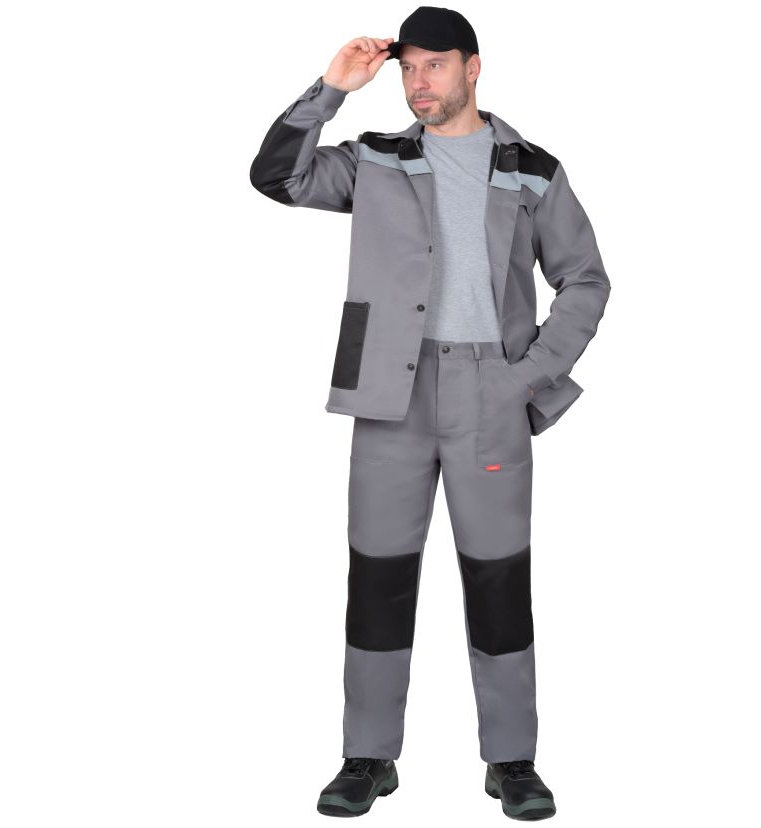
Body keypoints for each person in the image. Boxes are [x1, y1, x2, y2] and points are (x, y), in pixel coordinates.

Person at [249, 6, 611, 820]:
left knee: (498, 578)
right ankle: (368, 756)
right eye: (408, 67)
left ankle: (512, 761)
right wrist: (332, 87)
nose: (418, 82)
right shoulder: (373, 159)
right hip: (389, 391)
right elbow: (277, 179)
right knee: (377, 578)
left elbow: (586, 279)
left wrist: (528, 377)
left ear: (472, 68)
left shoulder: (533, 168)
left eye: (435, 65)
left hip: (492, 394)